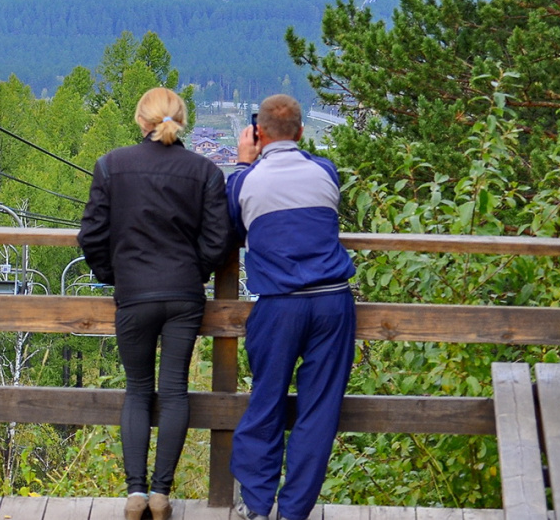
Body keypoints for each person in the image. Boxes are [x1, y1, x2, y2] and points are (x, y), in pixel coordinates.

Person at [78, 87, 230, 520]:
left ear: (140, 121)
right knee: (176, 390)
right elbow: (218, 239)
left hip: (133, 294)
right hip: (184, 295)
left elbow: (91, 235)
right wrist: (195, 271)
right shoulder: (204, 172)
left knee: (138, 391)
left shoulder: (111, 166)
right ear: (182, 120)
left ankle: (135, 493)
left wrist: (115, 274)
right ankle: (163, 493)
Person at [226, 94, 357, 520]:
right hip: (333, 302)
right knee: (319, 410)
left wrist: (245, 162)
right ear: (301, 132)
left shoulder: (245, 181)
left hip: (279, 305)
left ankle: (258, 504)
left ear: (258, 132)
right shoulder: (325, 171)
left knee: (266, 403)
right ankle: (294, 510)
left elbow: (233, 226)